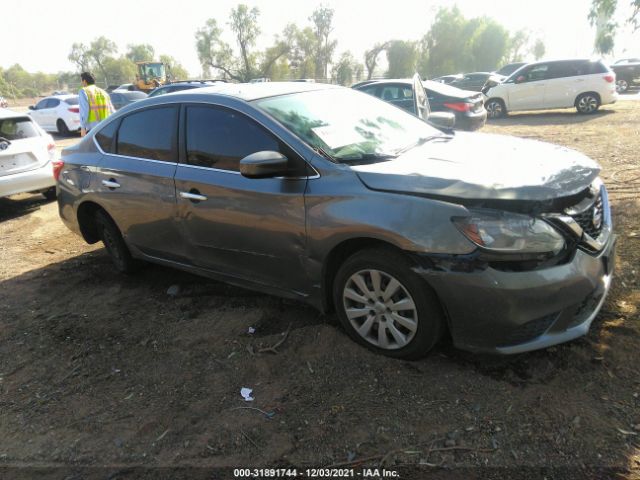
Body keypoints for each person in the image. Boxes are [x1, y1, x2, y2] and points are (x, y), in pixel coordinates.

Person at [78, 72, 114, 137]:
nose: (81, 83)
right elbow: (112, 111)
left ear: (84, 81)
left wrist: (83, 127)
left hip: (93, 130)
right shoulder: (103, 92)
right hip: (106, 128)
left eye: (81, 81)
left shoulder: (83, 91)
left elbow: (85, 110)